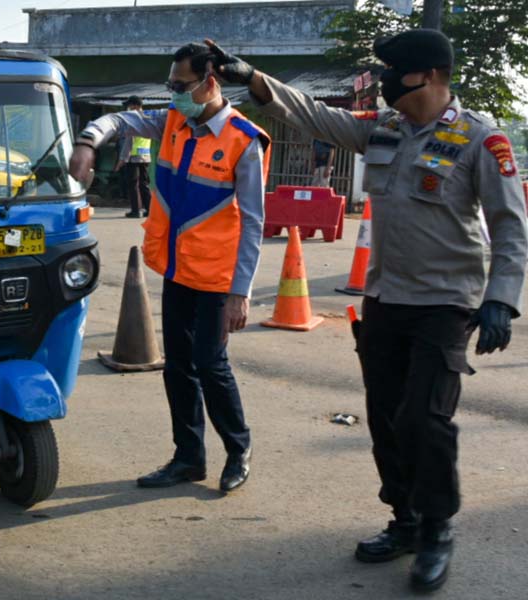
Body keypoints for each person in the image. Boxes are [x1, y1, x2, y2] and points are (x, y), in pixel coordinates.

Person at [206, 30, 527, 591]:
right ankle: (403, 520)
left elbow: (510, 225)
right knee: (385, 419)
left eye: (392, 71)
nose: (382, 82)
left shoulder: (481, 138)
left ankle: (436, 529)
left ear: (425, 76)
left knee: (425, 420)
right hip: (384, 301)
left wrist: (501, 297)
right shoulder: (383, 129)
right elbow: (311, 115)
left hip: (447, 304)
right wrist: (250, 75)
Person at [69, 42, 271, 493]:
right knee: (178, 366)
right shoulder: (174, 121)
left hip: (219, 279)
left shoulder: (243, 140)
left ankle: (238, 449)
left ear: (210, 82)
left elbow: (255, 222)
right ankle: (188, 457)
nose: (174, 93)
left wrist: (242, 291)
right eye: (171, 84)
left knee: (210, 363)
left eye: (181, 85)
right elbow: (121, 120)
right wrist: (87, 142)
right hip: (179, 270)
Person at [114, 96, 153, 217]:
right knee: (144, 184)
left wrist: (122, 159)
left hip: (134, 157)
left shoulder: (133, 120)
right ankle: (150, 210)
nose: (128, 108)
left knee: (133, 184)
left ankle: (135, 211)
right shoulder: (148, 118)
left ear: (135, 106)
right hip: (145, 156)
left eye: (129, 106)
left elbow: (129, 142)